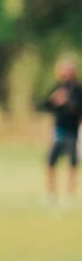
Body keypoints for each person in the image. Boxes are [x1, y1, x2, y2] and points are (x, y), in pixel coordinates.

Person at [41, 56, 82, 205]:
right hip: (58, 130)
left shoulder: (78, 90)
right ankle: (51, 192)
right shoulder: (58, 87)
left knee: (72, 163)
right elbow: (45, 104)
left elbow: (78, 109)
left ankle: (70, 193)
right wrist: (54, 100)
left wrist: (68, 103)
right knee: (51, 161)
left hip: (72, 131)